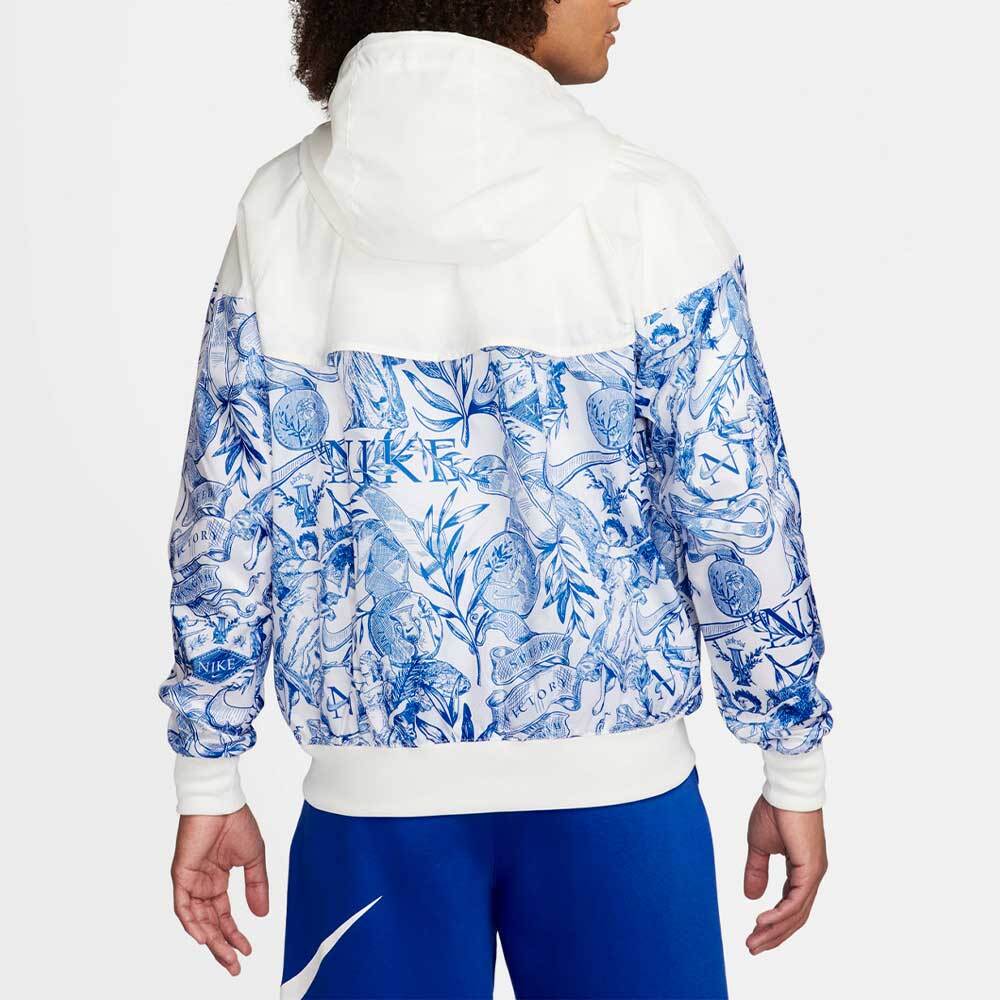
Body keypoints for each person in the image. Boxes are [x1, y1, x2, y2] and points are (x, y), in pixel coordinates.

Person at [162, 2, 833, 997]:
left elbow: (225, 515)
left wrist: (210, 775)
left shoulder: (282, 211)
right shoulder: (644, 206)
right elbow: (735, 505)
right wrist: (791, 759)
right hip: (621, 797)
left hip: (372, 809)